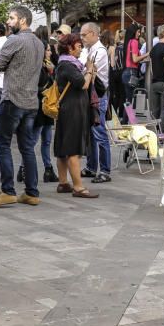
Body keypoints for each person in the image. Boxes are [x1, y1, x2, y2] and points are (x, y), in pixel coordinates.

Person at [0, 5, 45, 208]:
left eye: (11, 18)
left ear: (22, 20)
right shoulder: (39, 43)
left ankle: (8, 190)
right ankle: (31, 192)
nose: (8, 22)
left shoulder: (15, 40)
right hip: (31, 101)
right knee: (27, 148)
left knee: (2, 145)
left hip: (12, 100)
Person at [53, 33, 103, 198]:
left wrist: (88, 71)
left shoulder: (66, 64)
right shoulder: (67, 65)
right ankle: (78, 187)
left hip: (68, 109)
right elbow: (83, 84)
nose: (81, 49)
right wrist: (89, 69)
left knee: (63, 147)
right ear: (69, 47)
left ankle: (63, 183)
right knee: (73, 148)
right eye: (79, 46)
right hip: (72, 111)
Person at [79, 22, 112, 183]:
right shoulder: (88, 50)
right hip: (89, 95)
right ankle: (91, 167)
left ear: (93, 33)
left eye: (84, 35)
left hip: (98, 96)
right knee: (91, 133)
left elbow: (89, 72)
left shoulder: (100, 51)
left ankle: (105, 170)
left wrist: (86, 68)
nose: (82, 38)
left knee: (99, 133)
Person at [29, 26, 59, 183]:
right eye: (47, 50)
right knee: (34, 140)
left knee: (46, 140)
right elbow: (42, 86)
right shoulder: (39, 68)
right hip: (39, 107)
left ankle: (48, 169)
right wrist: (50, 74)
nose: (50, 52)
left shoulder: (48, 66)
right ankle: (24, 168)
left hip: (47, 108)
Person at [121, 23, 147, 106]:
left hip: (127, 72)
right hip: (132, 73)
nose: (139, 34)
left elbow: (132, 59)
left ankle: (127, 119)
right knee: (132, 101)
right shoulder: (134, 42)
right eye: (138, 32)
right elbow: (135, 59)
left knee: (129, 100)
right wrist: (147, 54)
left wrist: (143, 59)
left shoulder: (129, 42)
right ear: (133, 32)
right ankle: (130, 119)